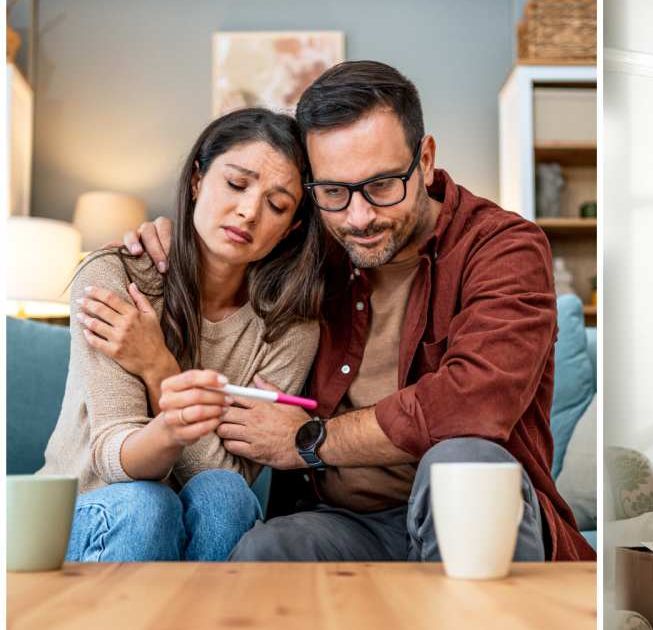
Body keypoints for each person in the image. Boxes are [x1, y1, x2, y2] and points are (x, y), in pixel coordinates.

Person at [126, 60, 594, 561]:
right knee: (269, 550)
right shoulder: (310, 249)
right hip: (346, 525)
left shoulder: (505, 247)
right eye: (333, 192)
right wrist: (168, 243)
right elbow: (229, 254)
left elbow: (473, 405)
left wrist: (311, 441)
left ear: (427, 159)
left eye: (383, 185)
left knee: (462, 459)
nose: (359, 216)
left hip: (470, 513)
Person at [38, 107, 323, 561]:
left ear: (291, 230)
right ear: (196, 182)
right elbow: (112, 457)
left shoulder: (291, 328)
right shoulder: (115, 276)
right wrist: (179, 420)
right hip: (81, 515)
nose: (249, 211)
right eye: (235, 184)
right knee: (147, 505)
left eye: (277, 205)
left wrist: (159, 368)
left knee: (224, 495)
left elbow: (229, 475)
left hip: (190, 525)